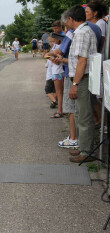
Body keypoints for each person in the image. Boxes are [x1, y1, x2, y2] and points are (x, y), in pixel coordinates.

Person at [67, 5, 98, 163]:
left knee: (84, 117)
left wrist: (75, 83)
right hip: (83, 78)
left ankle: (86, 151)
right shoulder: (84, 31)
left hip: (82, 79)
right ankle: (83, 146)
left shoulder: (81, 33)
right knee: (80, 115)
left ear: (71, 19)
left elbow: (82, 60)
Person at [46, 36, 64, 119]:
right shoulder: (55, 47)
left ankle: (60, 111)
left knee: (59, 92)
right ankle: (60, 109)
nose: (51, 43)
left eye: (52, 41)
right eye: (50, 42)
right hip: (55, 72)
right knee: (58, 92)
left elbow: (57, 62)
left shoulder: (59, 47)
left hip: (58, 72)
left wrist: (50, 57)